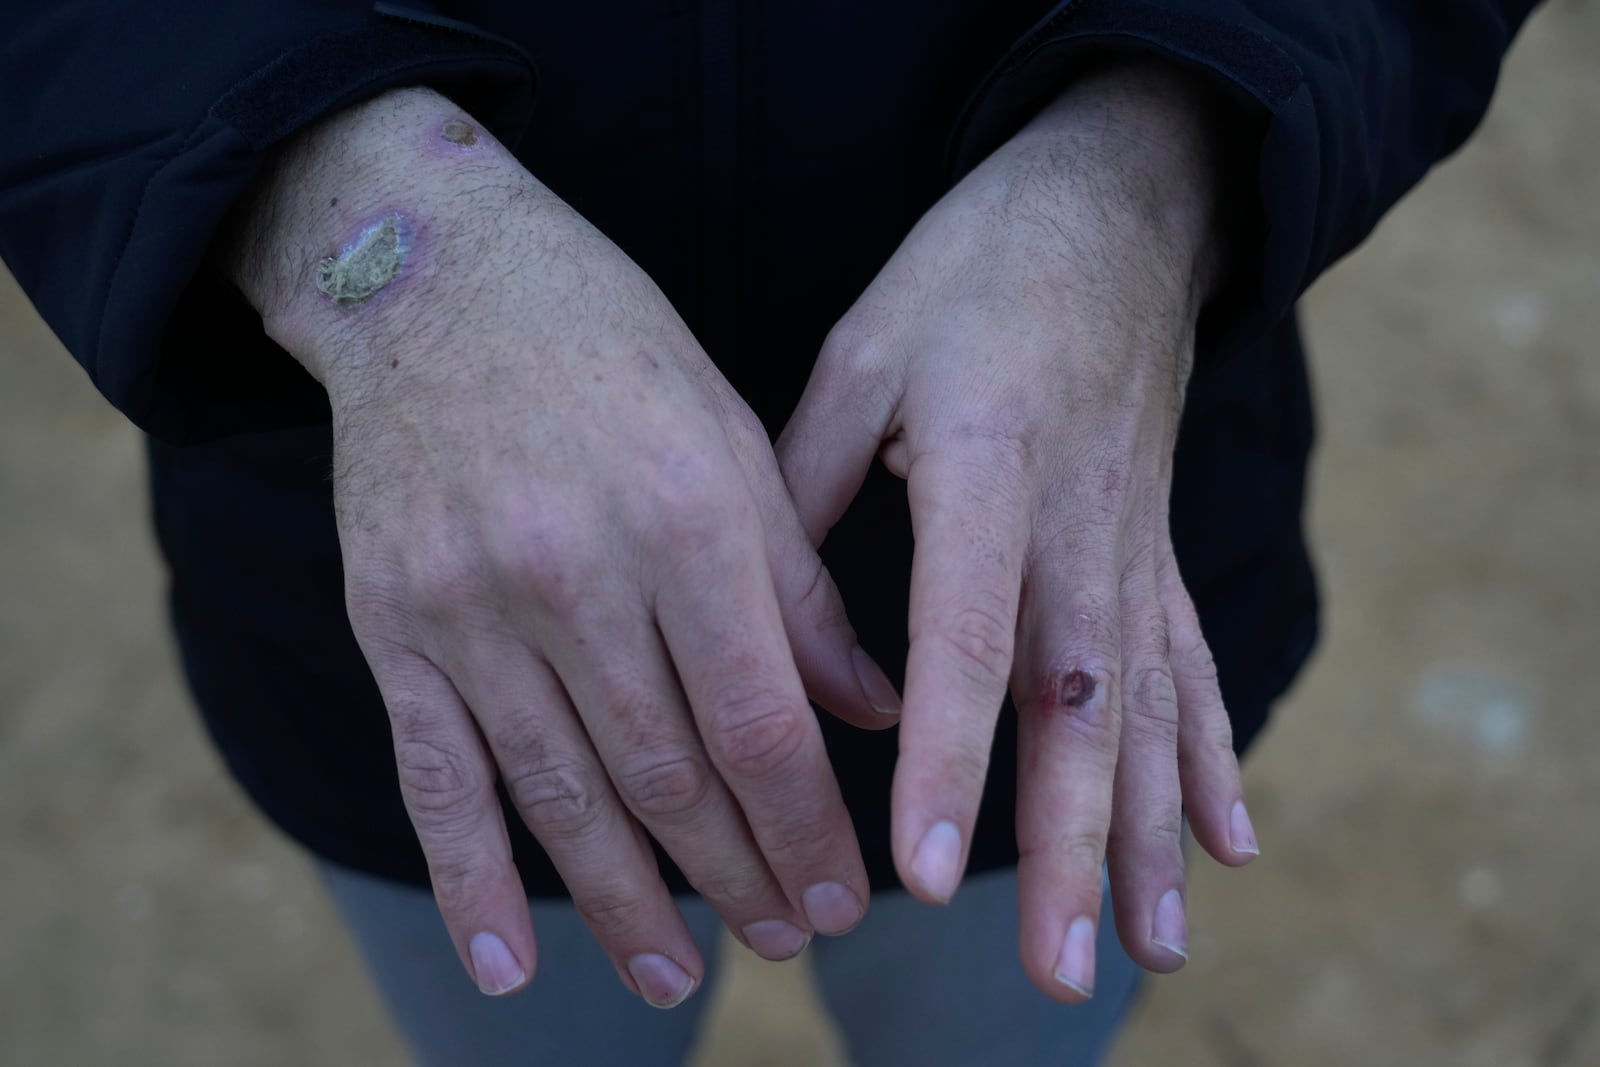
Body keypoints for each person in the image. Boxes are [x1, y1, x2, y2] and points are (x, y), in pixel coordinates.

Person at [0, 2, 1538, 1063]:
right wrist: (330, 195)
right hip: (446, 617)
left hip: (1059, 591)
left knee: (1005, 1032)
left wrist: (1162, 151)